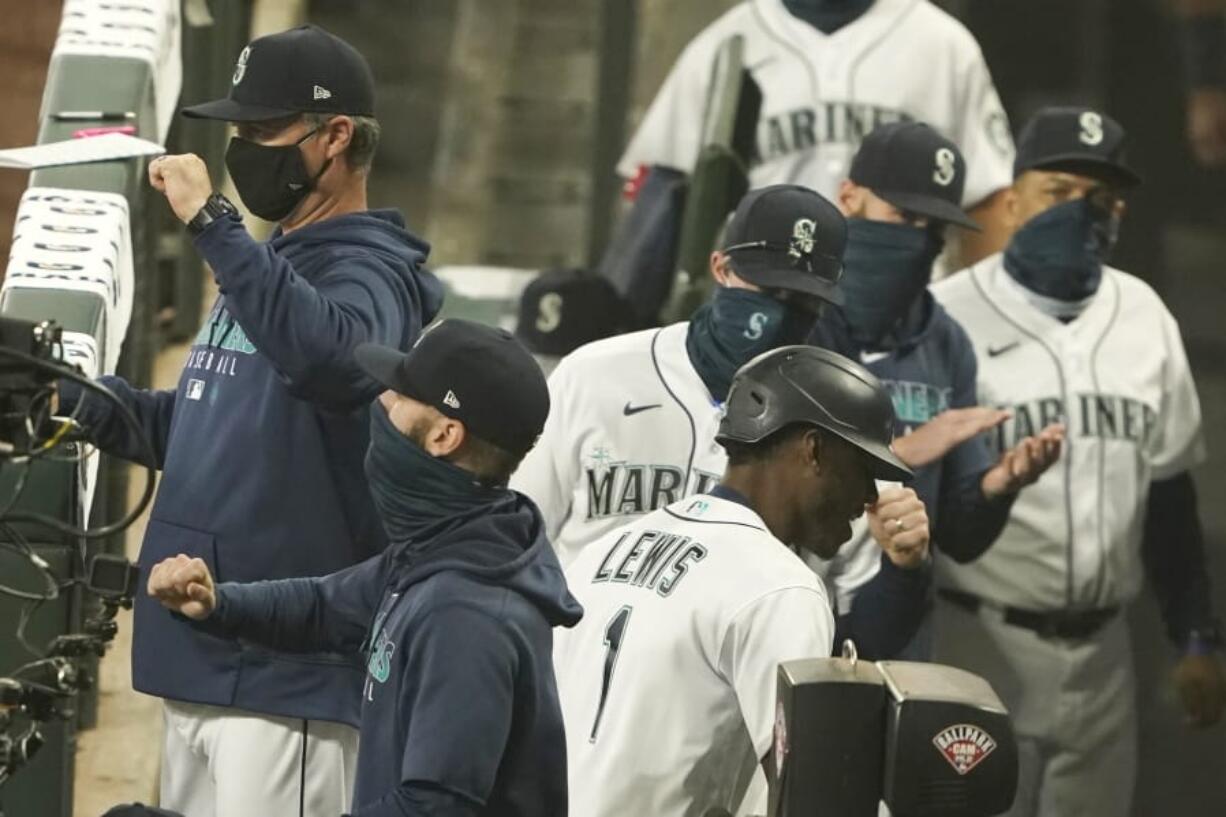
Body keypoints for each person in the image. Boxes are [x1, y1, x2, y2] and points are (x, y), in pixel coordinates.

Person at [59, 24, 443, 817]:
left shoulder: (369, 270)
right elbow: (209, 428)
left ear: (335, 136)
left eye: (262, 131)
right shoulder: (274, 268)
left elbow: (334, 364)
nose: (240, 149)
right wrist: (71, 399)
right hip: (200, 654)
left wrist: (212, 225)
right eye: (237, 131)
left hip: (287, 681)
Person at [147, 319, 580, 817]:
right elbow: (326, 608)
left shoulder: (466, 614)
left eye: (401, 395)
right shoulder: (449, 545)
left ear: (444, 435)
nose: (383, 402)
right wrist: (217, 602)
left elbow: (432, 807)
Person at [931, 106, 1226, 817]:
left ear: (1120, 210)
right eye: (1058, 192)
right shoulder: (945, 315)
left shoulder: (1145, 314)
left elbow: (1168, 495)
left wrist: (1194, 632)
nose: (1078, 212)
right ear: (1012, 200)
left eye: (1098, 198)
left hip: (1104, 657)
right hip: (978, 644)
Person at [512, 184, 931, 662]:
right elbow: (514, 542)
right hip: (573, 684)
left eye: (801, 300)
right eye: (766, 290)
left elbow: (860, 637)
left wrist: (906, 569)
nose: (777, 315)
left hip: (724, 711)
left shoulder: (836, 417)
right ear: (721, 268)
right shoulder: (595, 375)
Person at [554, 344, 912, 817]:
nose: (869, 495)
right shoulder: (780, 587)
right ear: (814, 450)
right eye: (863, 470)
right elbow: (812, 797)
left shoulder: (607, 548)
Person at [809, 120, 1064, 657]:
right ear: (849, 199)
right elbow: (757, 488)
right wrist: (899, 454)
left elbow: (964, 535)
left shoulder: (943, 340)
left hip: (900, 627)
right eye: (902, 217)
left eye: (932, 227)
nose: (917, 242)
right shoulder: (797, 319)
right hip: (792, 613)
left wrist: (999, 486)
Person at [620, 0, 1017, 266]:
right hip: (762, 308)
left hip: (901, 313)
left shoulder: (942, 44)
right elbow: (658, 205)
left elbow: (987, 200)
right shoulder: (721, 46)